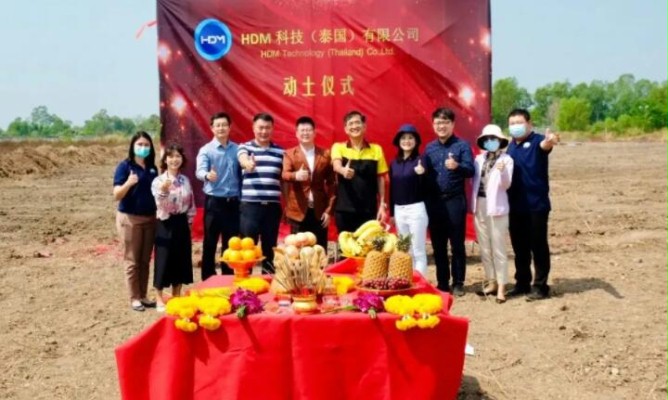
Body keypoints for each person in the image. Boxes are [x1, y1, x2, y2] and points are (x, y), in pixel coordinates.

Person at [505, 108, 559, 301]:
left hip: (536, 205)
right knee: (519, 248)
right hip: (515, 205)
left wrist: (550, 140)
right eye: (512, 124)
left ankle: (540, 286)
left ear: (529, 124)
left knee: (538, 246)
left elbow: (546, 145)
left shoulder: (537, 141)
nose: (516, 126)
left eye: (519, 122)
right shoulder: (510, 147)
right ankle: (522, 283)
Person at [423, 108, 474, 296]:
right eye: (437, 123)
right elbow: (425, 173)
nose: (441, 126)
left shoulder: (462, 146)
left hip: (454, 200)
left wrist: (457, 166)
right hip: (434, 201)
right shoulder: (429, 148)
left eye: (445, 122)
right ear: (433, 125)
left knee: (457, 243)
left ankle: (458, 282)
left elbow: (471, 170)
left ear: (452, 124)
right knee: (438, 244)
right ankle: (442, 282)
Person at [112, 131, 159, 312]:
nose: (143, 148)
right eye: (139, 144)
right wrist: (128, 183)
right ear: (132, 146)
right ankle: (134, 298)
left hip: (150, 218)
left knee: (145, 260)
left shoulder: (152, 168)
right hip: (130, 219)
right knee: (132, 259)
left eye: (146, 145)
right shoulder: (125, 167)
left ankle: (143, 295)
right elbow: (116, 195)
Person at [195, 112, 241, 281]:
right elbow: (199, 171)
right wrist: (207, 175)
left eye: (224, 125)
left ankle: (228, 278)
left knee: (231, 244)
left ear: (230, 127)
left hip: (233, 203)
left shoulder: (237, 149)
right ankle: (208, 279)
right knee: (210, 242)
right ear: (212, 128)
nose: (221, 128)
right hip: (214, 203)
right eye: (218, 125)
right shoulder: (206, 150)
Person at [471, 124, 514, 303]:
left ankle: (502, 286)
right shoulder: (478, 159)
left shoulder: (507, 160)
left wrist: (502, 171)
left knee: (498, 247)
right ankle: (491, 282)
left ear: (500, 141)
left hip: (497, 206)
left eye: (493, 139)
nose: (490, 142)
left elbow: (506, 184)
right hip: (480, 204)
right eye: (487, 139)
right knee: (485, 247)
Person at [151, 143, 196, 312]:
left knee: (181, 258)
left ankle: (176, 295)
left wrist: (189, 222)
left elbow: (191, 203)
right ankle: (159, 297)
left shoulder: (186, 180)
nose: (174, 160)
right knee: (163, 259)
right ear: (165, 160)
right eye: (170, 156)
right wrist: (164, 191)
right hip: (165, 222)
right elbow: (159, 203)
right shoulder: (158, 181)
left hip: (182, 222)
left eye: (178, 156)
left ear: (182, 159)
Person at [238, 113, 284, 273]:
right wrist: (247, 164)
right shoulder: (245, 147)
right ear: (253, 128)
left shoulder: (280, 152)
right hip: (250, 207)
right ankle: (244, 285)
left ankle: (269, 282)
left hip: (272, 208)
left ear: (272, 129)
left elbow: (284, 179)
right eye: (260, 128)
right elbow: (242, 159)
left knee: (270, 249)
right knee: (247, 248)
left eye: (267, 128)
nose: (264, 131)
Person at [282, 116, 336, 250]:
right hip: (298, 211)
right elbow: (284, 174)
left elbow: (332, 184)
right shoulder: (289, 154)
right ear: (297, 133)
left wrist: (329, 211)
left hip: (319, 212)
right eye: (302, 130)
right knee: (297, 251)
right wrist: (296, 175)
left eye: (308, 130)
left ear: (314, 133)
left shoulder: (325, 154)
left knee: (319, 250)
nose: (305, 133)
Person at [331, 110, 389, 233]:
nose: (354, 126)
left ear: (364, 127)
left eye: (358, 123)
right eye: (351, 124)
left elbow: (380, 178)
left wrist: (382, 205)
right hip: (344, 210)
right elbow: (336, 165)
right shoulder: (338, 147)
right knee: (345, 245)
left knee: (367, 244)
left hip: (369, 211)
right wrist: (343, 170)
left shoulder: (376, 149)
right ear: (346, 129)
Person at [388, 124, 429, 276]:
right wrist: (392, 213)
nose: (407, 141)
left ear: (416, 141)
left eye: (410, 138)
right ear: (398, 141)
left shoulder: (421, 159)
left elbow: (429, 185)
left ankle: (420, 282)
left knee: (418, 250)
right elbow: (392, 189)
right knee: (405, 249)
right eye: (403, 138)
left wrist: (423, 174)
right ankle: (407, 281)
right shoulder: (394, 163)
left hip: (416, 209)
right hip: (399, 210)